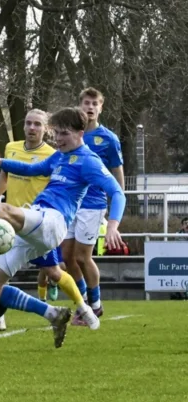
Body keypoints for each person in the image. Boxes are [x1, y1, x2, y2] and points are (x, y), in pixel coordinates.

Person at [0, 107, 127, 348]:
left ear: (80, 133)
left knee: (5, 211)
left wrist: (113, 225)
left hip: (53, 221)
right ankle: (52, 314)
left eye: (64, 134)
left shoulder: (89, 160)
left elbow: (117, 192)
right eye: (56, 133)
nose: (58, 139)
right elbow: (31, 169)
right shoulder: (59, 156)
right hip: (37, 224)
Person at [0, 109, 88, 332]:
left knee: (54, 272)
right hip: (9, 221)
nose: (31, 128)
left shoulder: (56, 153)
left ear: (46, 129)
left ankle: (83, 305)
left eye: (37, 124)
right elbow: (5, 177)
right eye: (28, 123)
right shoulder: (12, 148)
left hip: (38, 223)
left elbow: (60, 185)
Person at [64, 88, 124, 323]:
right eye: (86, 103)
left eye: (94, 103)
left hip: (93, 204)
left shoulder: (108, 139)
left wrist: (116, 204)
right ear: (80, 105)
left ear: (101, 108)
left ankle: (94, 305)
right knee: (66, 257)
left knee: (82, 257)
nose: (90, 107)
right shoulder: (71, 134)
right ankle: (83, 303)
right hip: (71, 203)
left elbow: (117, 174)